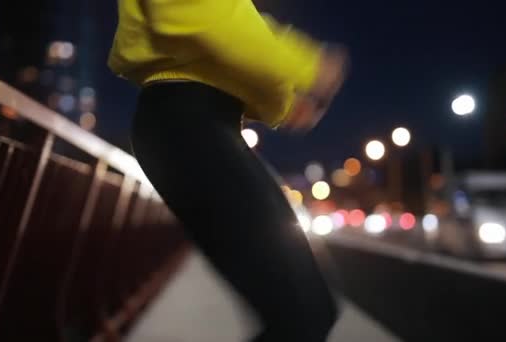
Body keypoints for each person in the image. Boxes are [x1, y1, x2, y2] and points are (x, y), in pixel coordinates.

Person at [108, 1, 348, 341]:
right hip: (187, 122)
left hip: (199, 122)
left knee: (309, 309)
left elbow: (231, 21)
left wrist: (282, 99)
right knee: (303, 311)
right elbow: (200, 15)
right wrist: (307, 66)